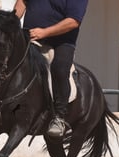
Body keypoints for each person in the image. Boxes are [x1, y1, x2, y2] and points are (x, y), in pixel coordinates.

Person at [13, 0, 89, 137]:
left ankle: (59, 118)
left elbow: (73, 21)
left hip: (61, 43)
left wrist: (44, 33)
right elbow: (23, 2)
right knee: (5, 58)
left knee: (59, 69)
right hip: (31, 36)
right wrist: (10, 22)